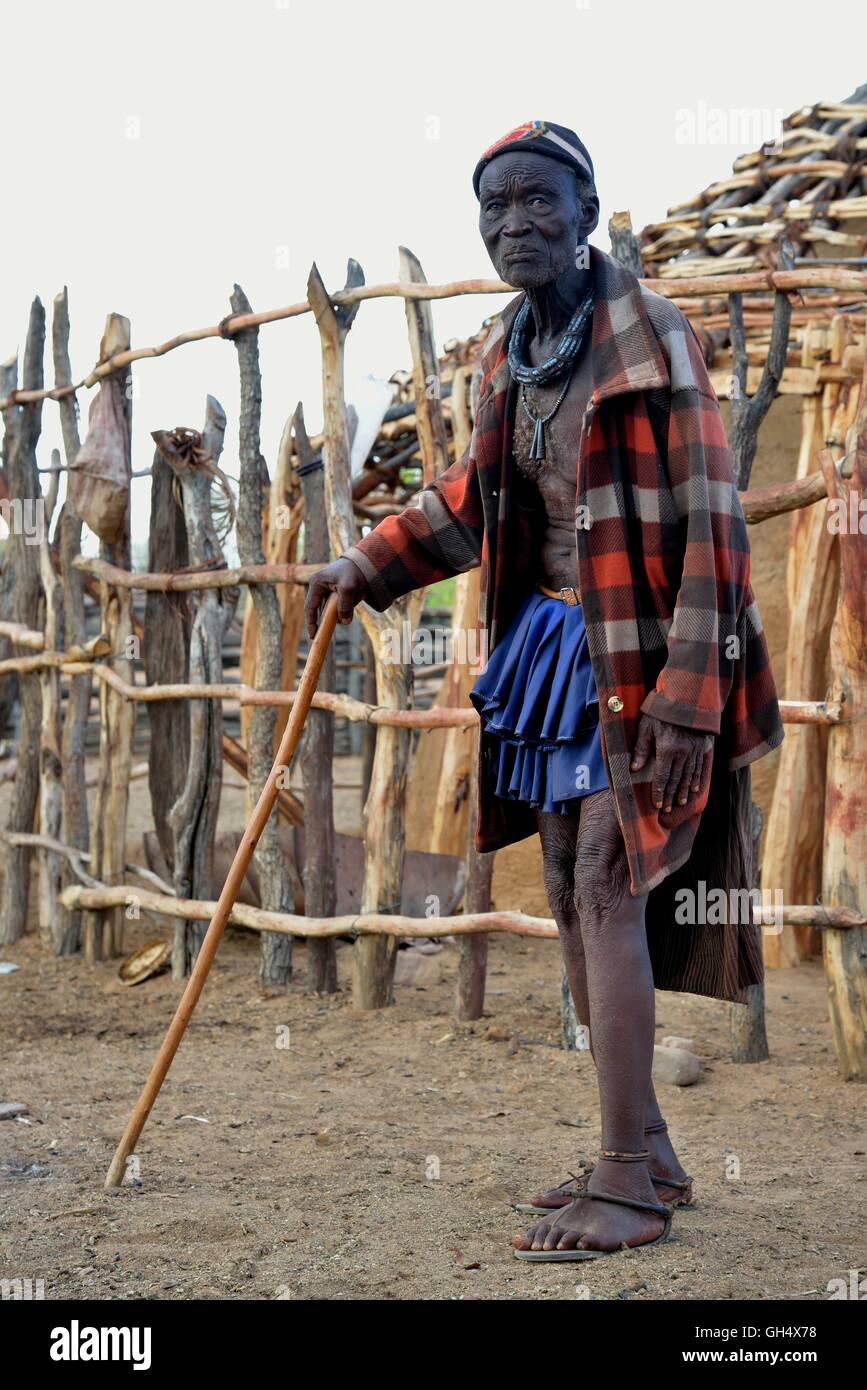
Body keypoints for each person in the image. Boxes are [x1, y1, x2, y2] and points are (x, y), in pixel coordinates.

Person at [306, 120, 783, 1260]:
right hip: (559, 652)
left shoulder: (651, 339)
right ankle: (649, 1152)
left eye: (538, 201)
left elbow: (718, 532)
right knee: (572, 881)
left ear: (587, 209)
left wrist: (687, 699)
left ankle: (624, 1182)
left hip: (649, 657)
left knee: (614, 885)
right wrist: (366, 566)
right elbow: (473, 496)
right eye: (496, 206)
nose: (515, 223)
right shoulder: (509, 352)